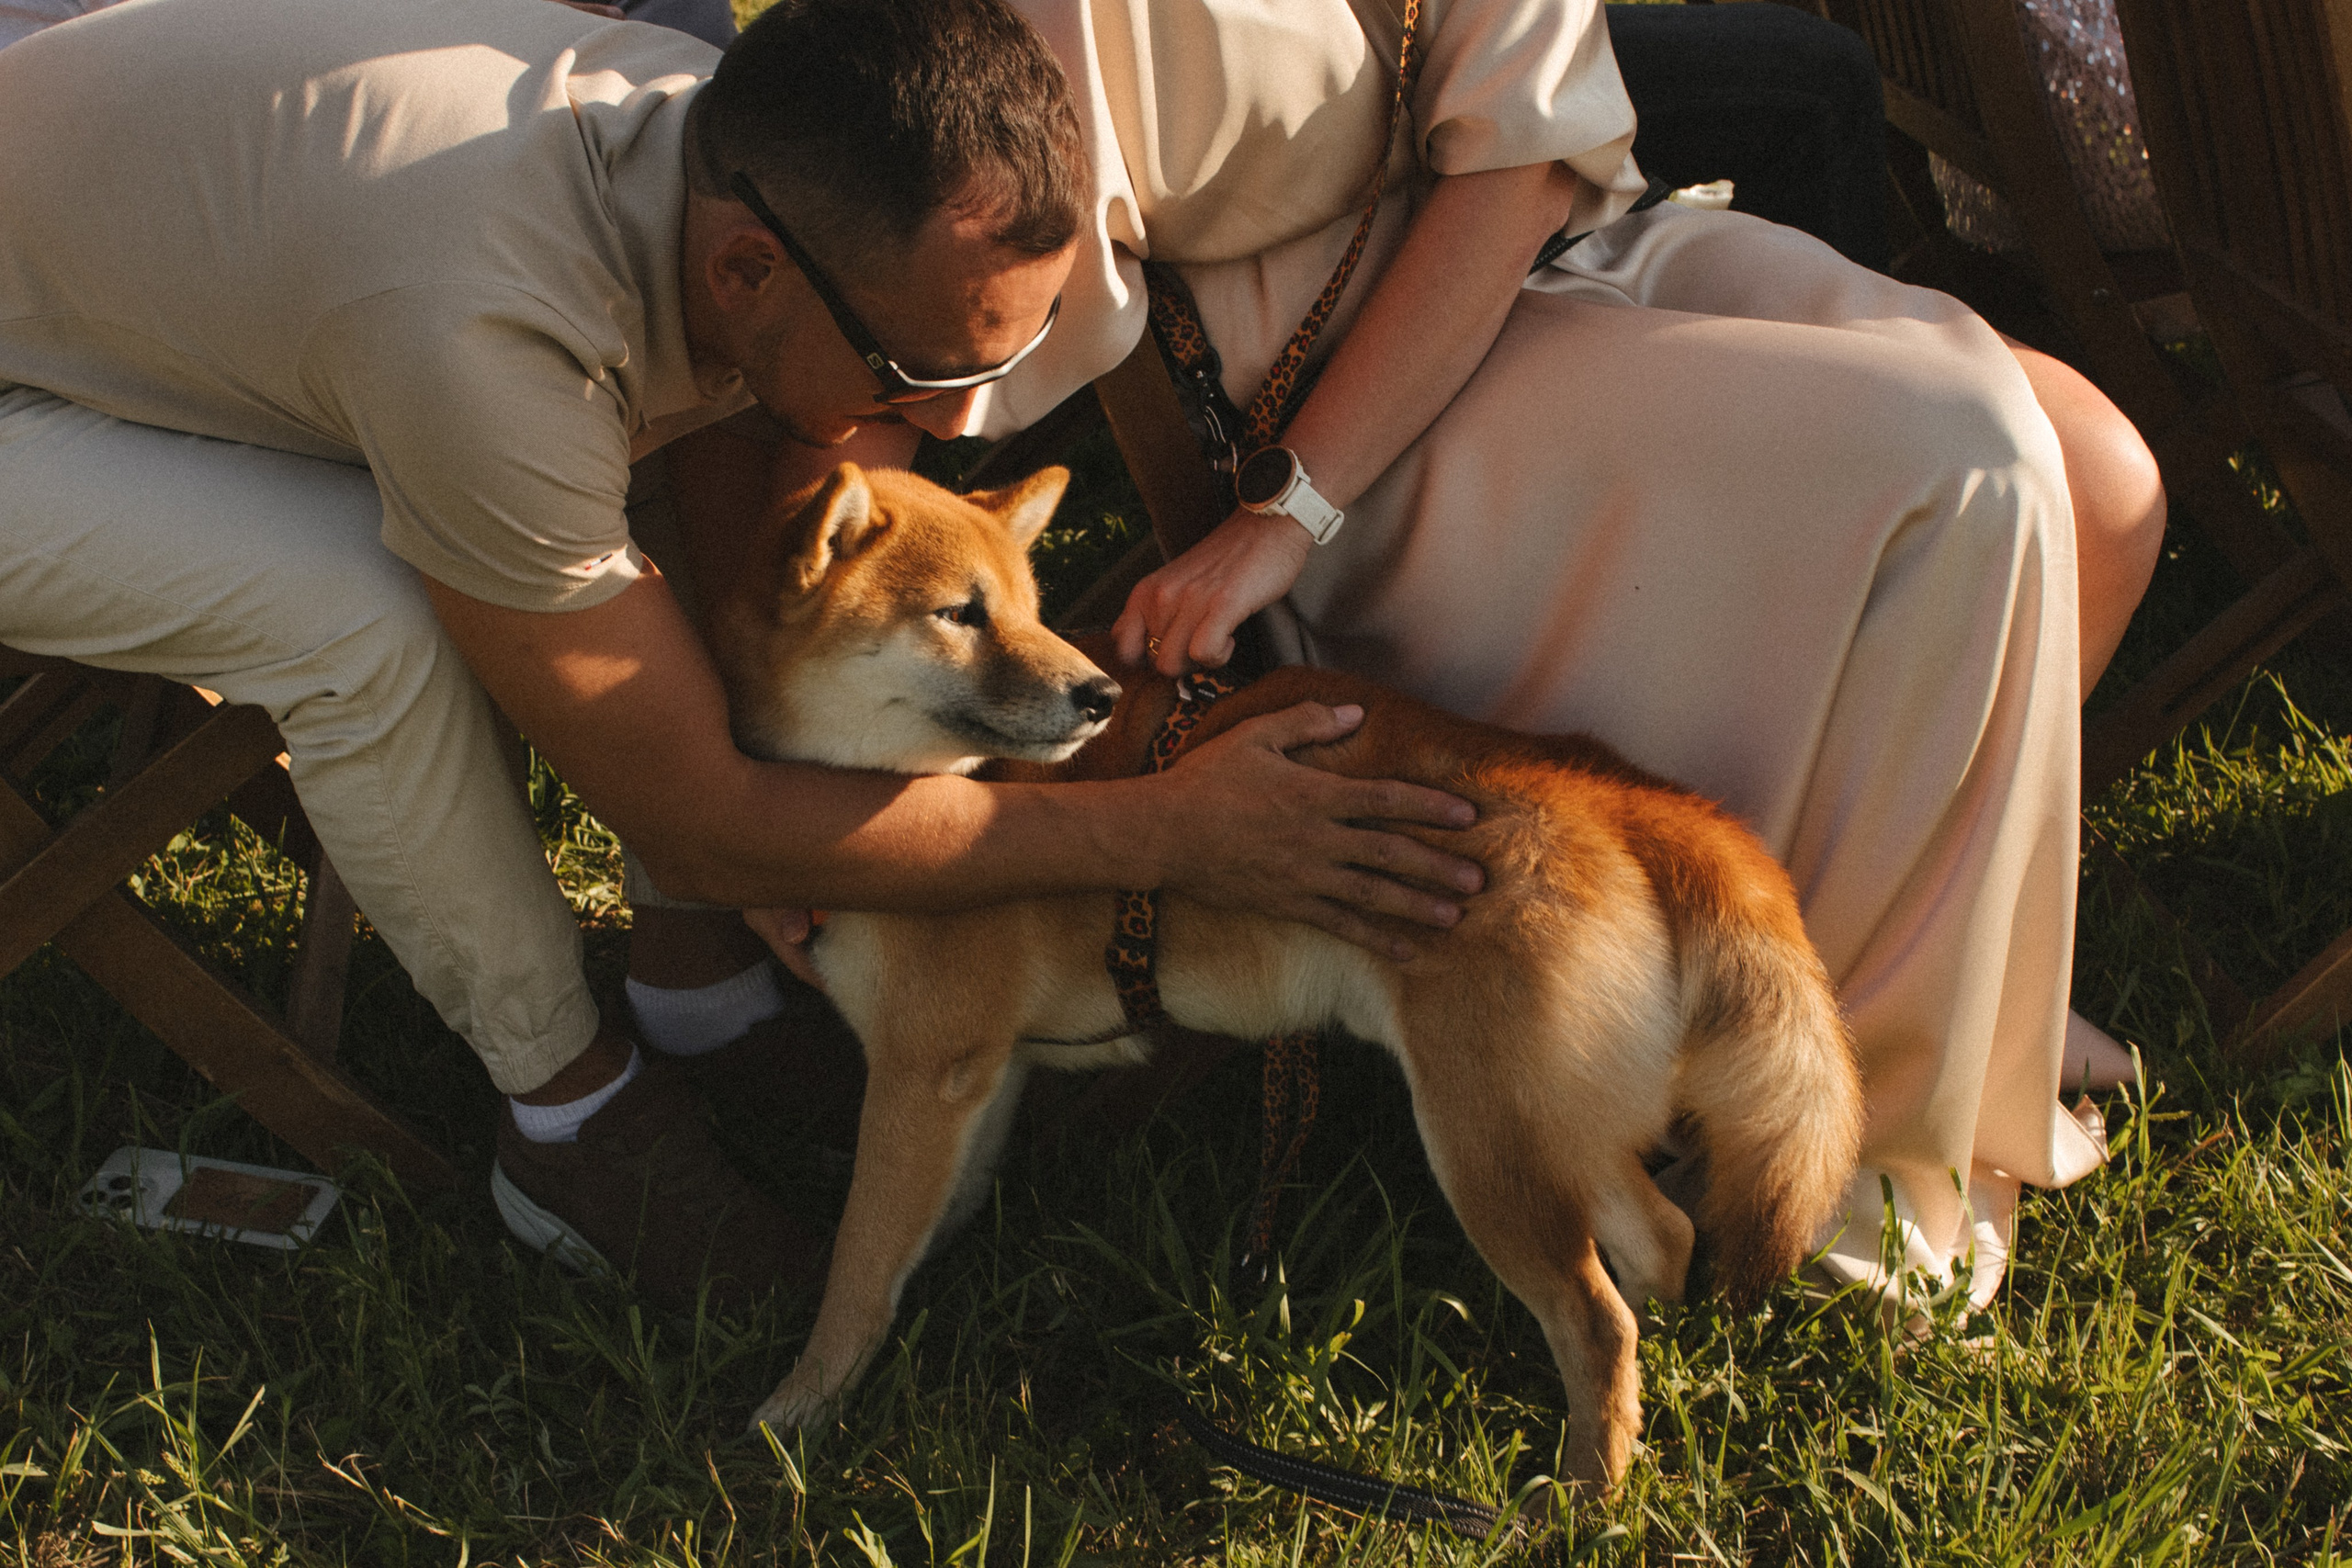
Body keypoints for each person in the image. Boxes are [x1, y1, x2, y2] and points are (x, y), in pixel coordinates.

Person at [0, 0, 1489, 1313]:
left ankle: (699, 1005)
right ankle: (571, 1121)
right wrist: (1168, 833)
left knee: (664, 484)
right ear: (746, 270)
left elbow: (718, 546)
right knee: (361, 609)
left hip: (128, 273)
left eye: (999, 369)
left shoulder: (712, 136)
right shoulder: (487, 336)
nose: (961, 420)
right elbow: (694, 812)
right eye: (926, 373)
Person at [930, 0, 2156, 1311]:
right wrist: (1281, 517)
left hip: (1556, 251)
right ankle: (1879, 1120)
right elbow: (938, 281)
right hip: (1350, 418)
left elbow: (1522, 154)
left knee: (2098, 474)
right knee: (1970, 466)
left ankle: (1906, 983)